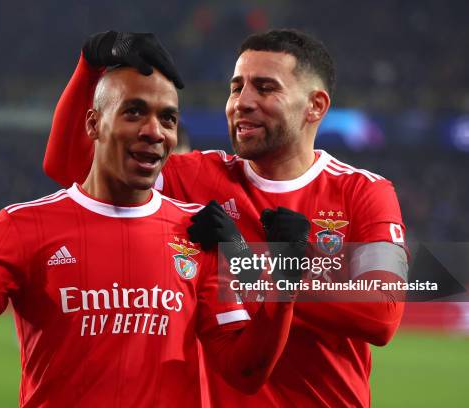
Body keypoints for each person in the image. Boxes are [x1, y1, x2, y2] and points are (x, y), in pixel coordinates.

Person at [42, 30, 409, 407]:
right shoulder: (197, 177)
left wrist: (246, 262)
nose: (242, 102)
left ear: (314, 106)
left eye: (264, 88)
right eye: (237, 87)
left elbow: (381, 312)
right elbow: (73, 166)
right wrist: (91, 64)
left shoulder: (365, 193)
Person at [0, 65, 296, 407]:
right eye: (134, 112)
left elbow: (245, 373)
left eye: (168, 118)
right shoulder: (22, 226)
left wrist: (283, 287)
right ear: (93, 123)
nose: (154, 131)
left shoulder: (198, 230)